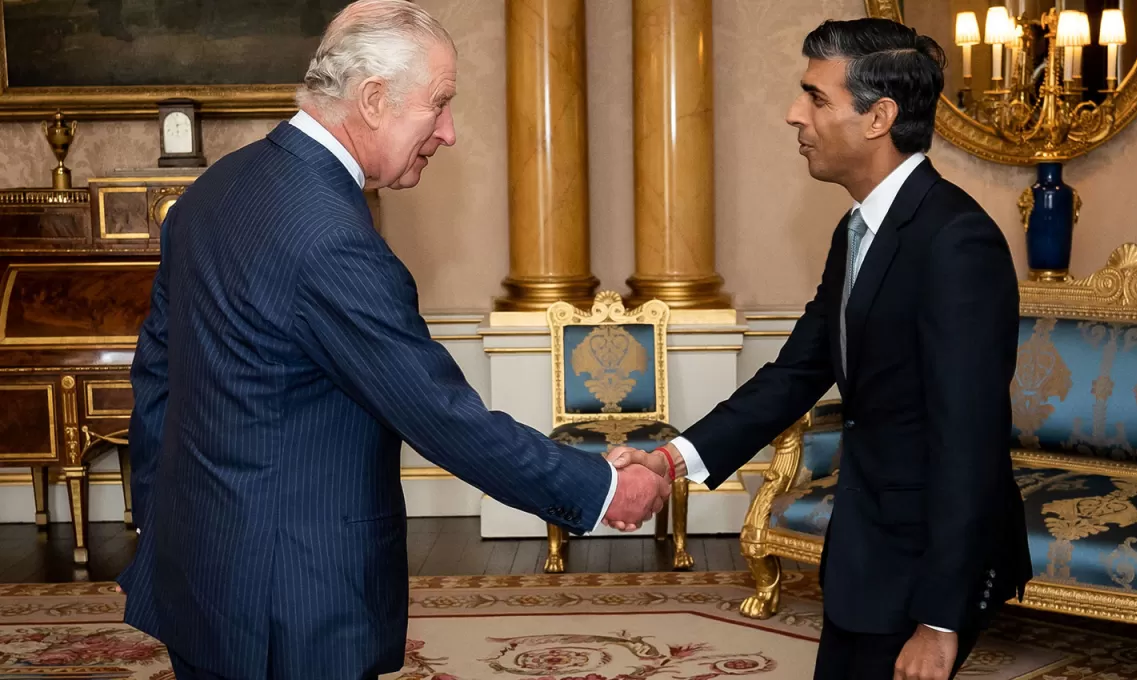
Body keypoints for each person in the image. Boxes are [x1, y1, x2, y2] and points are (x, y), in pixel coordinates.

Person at [115, 2, 669, 678]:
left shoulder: (215, 189)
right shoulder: (331, 240)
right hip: (293, 602)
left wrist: (161, 525)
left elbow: (155, 380)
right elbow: (442, 417)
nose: (450, 132)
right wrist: (603, 488)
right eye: (438, 104)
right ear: (373, 100)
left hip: (199, 573)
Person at [609, 18, 1032, 680]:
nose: (793, 114)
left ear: (878, 117)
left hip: (923, 564)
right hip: (869, 546)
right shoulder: (859, 228)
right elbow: (795, 374)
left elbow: (970, 440)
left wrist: (939, 620)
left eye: (815, 96)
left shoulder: (954, 242)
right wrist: (670, 460)